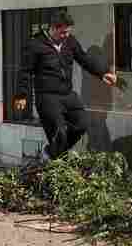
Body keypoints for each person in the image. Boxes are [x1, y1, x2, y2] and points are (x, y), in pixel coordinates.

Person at [13, 11, 117, 162]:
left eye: (68, 32)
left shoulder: (70, 41)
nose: (66, 35)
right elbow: (25, 72)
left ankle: (50, 153)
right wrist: (21, 95)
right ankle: (57, 159)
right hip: (48, 97)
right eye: (63, 32)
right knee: (59, 133)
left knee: (82, 124)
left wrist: (102, 73)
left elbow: (84, 59)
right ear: (53, 28)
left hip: (68, 94)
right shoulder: (35, 44)